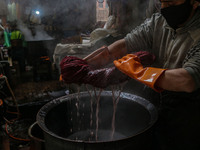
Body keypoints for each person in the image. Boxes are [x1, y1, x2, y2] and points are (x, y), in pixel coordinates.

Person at [83, 0, 200, 149]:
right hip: (159, 99)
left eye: (170, 4)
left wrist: (139, 72)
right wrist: (86, 66)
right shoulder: (158, 22)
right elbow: (125, 44)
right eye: (161, 3)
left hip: (189, 112)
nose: (164, 9)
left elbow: (188, 80)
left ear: (194, 2)